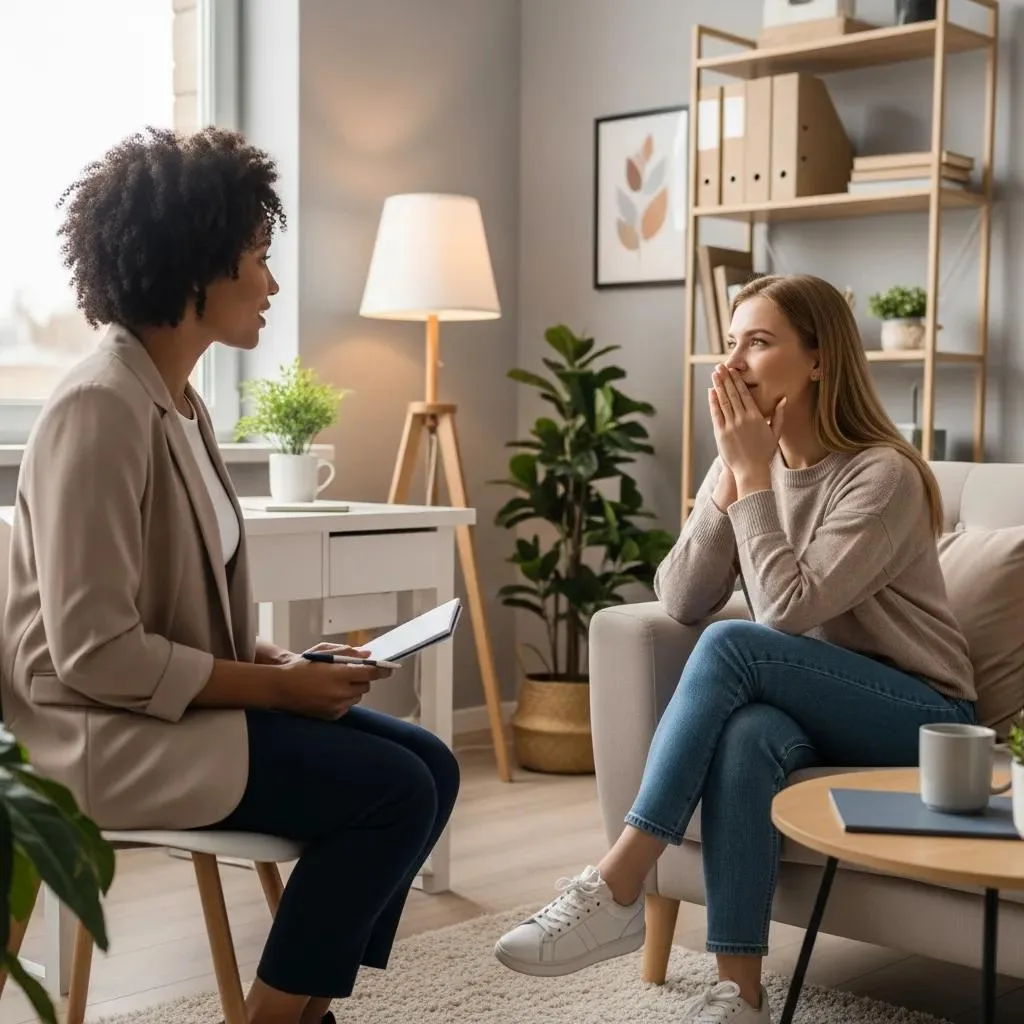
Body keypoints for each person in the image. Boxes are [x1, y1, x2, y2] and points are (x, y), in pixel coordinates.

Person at [0, 126, 459, 1024]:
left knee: (433, 765)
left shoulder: (176, 400)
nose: (272, 284)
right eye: (257, 256)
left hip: (157, 708)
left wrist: (283, 665)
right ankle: (277, 1018)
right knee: (394, 792)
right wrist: (276, 694)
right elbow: (94, 653)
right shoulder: (100, 409)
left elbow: (175, 611)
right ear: (195, 265)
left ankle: (304, 999)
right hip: (99, 735)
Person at [493, 273, 976, 1022]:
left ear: (819, 360)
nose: (734, 364)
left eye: (758, 342)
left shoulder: (882, 476)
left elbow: (782, 611)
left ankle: (619, 882)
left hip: (921, 717)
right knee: (748, 733)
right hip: (810, 702)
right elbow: (681, 597)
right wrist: (732, 479)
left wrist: (751, 474)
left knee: (733, 645)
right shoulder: (743, 463)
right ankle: (740, 997)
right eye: (729, 343)